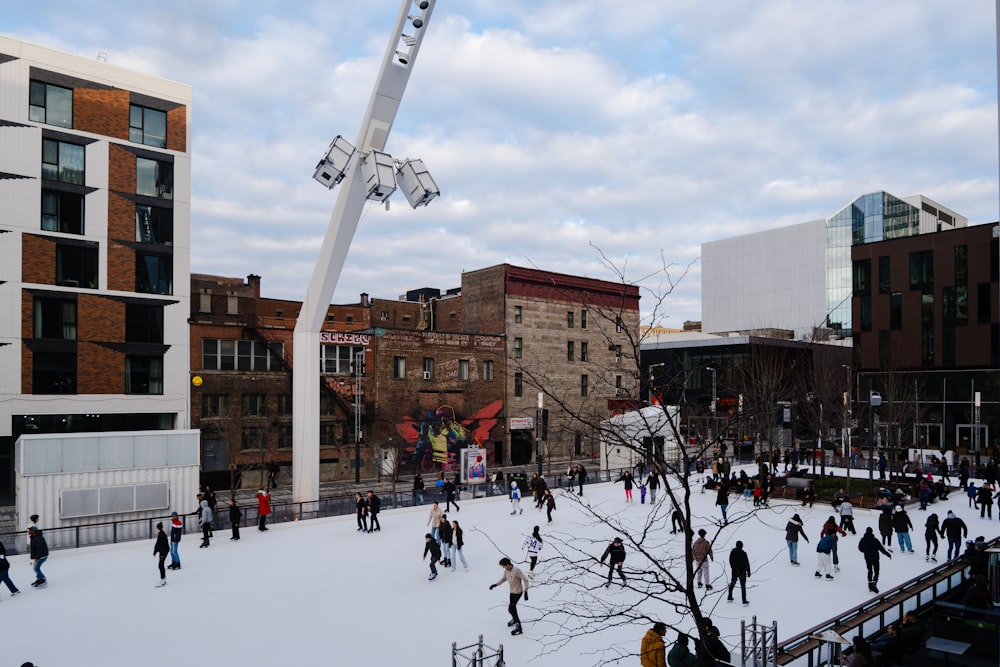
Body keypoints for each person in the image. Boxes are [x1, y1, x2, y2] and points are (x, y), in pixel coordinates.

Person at [490, 557, 529, 636]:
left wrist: (526, 591)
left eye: (504, 566)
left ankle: (519, 627)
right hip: (512, 592)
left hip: (518, 592)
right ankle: (514, 620)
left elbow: (525, 579)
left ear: (508, 564)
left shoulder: (516, 570)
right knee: (510, 609)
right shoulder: (506, 571)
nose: (503, 568)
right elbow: (503, 579)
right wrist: (495, 585)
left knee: (512, 608)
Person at [857, 527, 891, 594]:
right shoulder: (875, 540)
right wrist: (887, 554)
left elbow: (860, 548)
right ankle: (874, 584)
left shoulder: (863, 539)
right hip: (875, 558)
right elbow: (881, 549)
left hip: (867, 558)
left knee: (870, 570)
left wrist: (865, 551)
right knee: (876, 571)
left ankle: (870, 584)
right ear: (872, 532)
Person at [727, 540, 751, 605]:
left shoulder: (732, 552)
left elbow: (730, 560)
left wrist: (733, 568)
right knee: (743, 586)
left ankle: (729, 596)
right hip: (742, 572)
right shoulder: (743, 553)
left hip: (734, 571)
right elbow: (747, 563)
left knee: (732, 583)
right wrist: (748, 572)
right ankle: (744, 600)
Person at [153, 521, 169, 587]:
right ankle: (164, 578)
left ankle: (163, 580)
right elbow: (158, 544)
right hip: (163, 551)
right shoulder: (161, 534)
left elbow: (159, 544)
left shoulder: (161, 535)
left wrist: (157, 552)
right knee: (161, 565)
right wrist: (155, 551)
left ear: (158, 528)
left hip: (163, 552)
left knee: (160, 565)